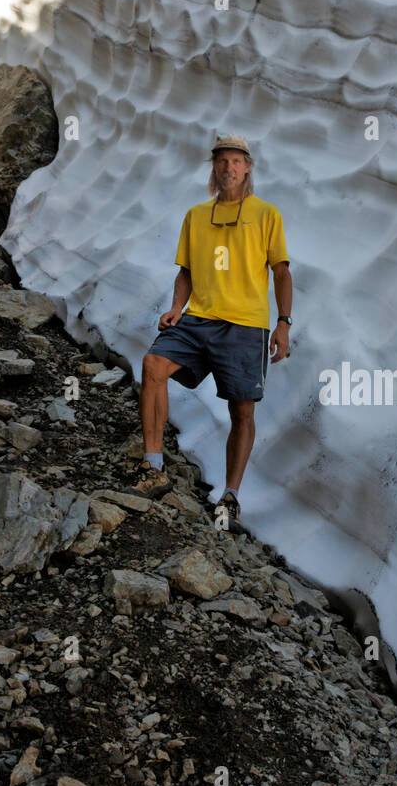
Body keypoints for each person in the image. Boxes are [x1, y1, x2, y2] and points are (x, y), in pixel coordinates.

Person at [123, 133, 292, 533]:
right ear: (214, 167)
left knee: (242, 410)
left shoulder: (267, 214)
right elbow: (186, 273)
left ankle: (230, 495)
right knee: (153, 365)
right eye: (222, 161)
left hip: (246, 324)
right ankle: (153, 467)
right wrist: (175, 308)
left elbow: (282, 271)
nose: (228, 168)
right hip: (198, 319)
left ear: (248, 167)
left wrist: (283, 322)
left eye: (236, 161)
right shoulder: (196, 216)